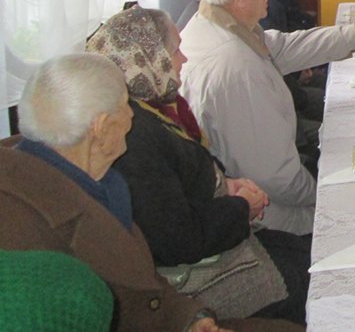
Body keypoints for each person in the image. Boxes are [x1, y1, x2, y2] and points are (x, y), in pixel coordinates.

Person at [0, 53, 301, 332]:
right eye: (125, 105)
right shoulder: (23, 228)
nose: (133, 116)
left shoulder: (91, 179)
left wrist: (189, 319)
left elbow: (143, 282)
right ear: (102, 128)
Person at [87, 6, 311, 324]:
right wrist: (240, 207)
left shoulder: (156, 107)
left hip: (216, 239)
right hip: (194, 279)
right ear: (148, 59)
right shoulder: (131, 136)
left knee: (309, 251)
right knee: (313, 275)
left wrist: (228, 183)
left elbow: (191, 173)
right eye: (175, 51)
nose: (184, 59)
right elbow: (178, 239)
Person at [180, 0, 355, 236]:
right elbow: (274, 176)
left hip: (266, 187)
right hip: (265, 215)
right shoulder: (235, 66)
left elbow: (285, 47)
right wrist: (323, 192)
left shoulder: (217, 22)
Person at [261, 0, 325, 159]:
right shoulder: (269, 6)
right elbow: (276, 60)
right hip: (288, 96)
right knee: (333, 104)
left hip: (294, 80)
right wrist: (299, 70)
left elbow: (299, 25)